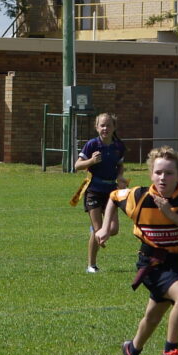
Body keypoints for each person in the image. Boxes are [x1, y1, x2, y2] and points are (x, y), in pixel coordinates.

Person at [95, 146, 178, 355]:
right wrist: (105, 228)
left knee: (153, 316)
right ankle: (170, 351)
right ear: (151, 174)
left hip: (177, 263)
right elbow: (114, 197)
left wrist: (171, 214)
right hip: (151, 263)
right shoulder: (138, 196)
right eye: (158, 172)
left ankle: (131, 350)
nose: (163, 178)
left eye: (169, 173)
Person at [75, 112, 125, 273]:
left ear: (114, 127)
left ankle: (96, 233)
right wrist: (91, 161)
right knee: (98, 230)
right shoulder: (92, 145)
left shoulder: (119, 146)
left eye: (108, 125)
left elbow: (119, 166)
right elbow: (77, 166)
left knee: (114, 229)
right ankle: (92, 266)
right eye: (102, 125)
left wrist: (120, 178)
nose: (105, 128)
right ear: (97, 128)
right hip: (94, 190)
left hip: (111, 192)